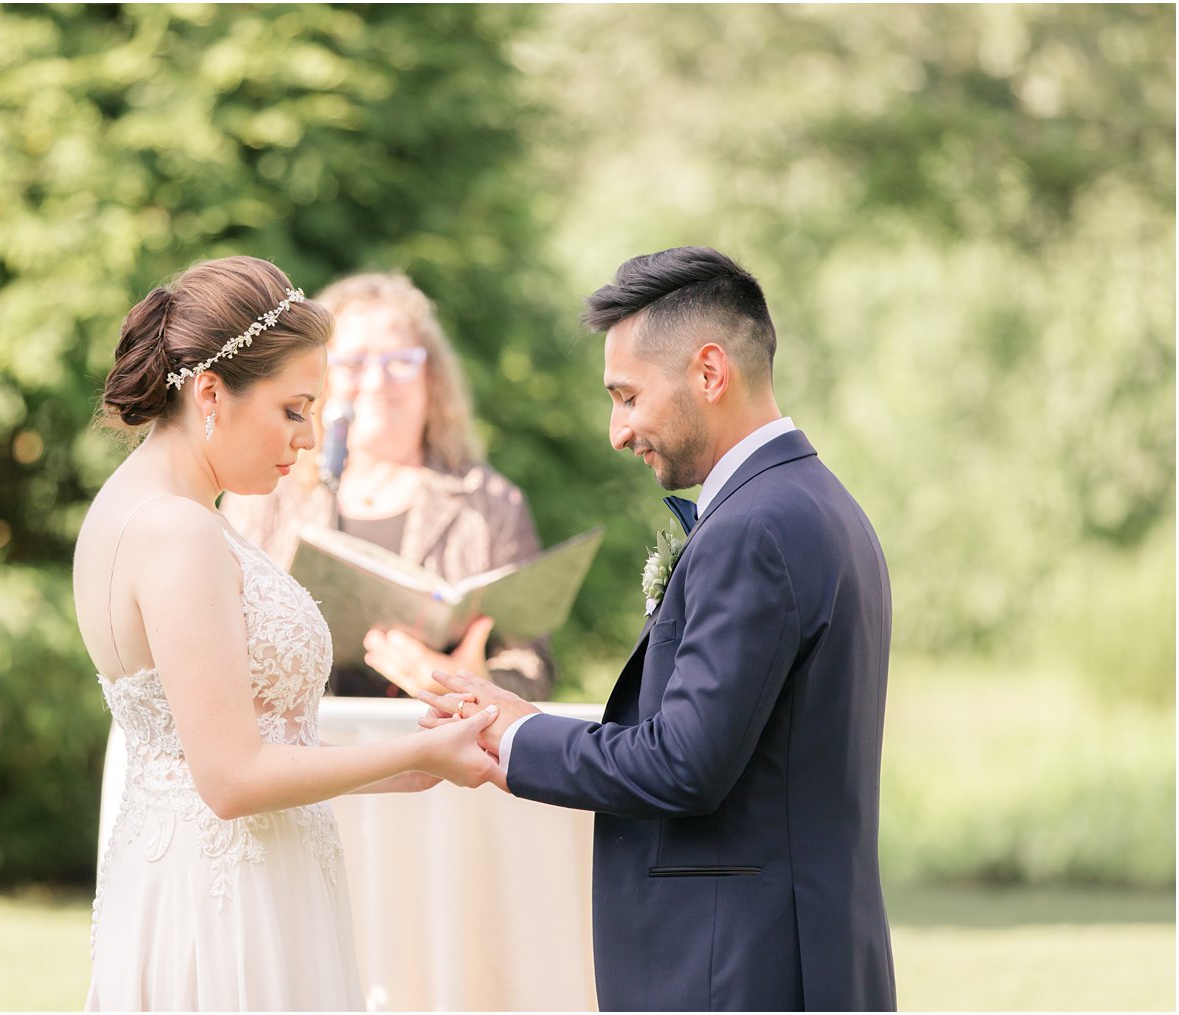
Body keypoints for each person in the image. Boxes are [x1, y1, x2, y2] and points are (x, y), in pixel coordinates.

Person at [419, 247, 897, 1010]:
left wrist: (516, 736)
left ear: (709, 372)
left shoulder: (755, 530)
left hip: (734, 969)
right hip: (802, 951)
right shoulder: (821, 504)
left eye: (627, 395)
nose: (617, 430)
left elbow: (683, 763)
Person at [74, 256, 501, 1011]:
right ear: (210, 392)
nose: (308, 440)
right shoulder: (178, 532)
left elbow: (239, 741)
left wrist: (400, 767)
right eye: (295, 408)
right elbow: (232, 778)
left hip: (208, 874)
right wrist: (416, 748)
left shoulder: (146, 508)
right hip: (228, 901)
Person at [221, 271, 554, 699]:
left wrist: (476, 682)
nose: (377, 382)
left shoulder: (490, 503)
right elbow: (215, 631)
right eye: (354, 363)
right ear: (319, 377)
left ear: (430, 377)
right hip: (294, 753)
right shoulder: (263, 489)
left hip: (437, 750)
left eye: (399, 362)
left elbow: (533, 666)